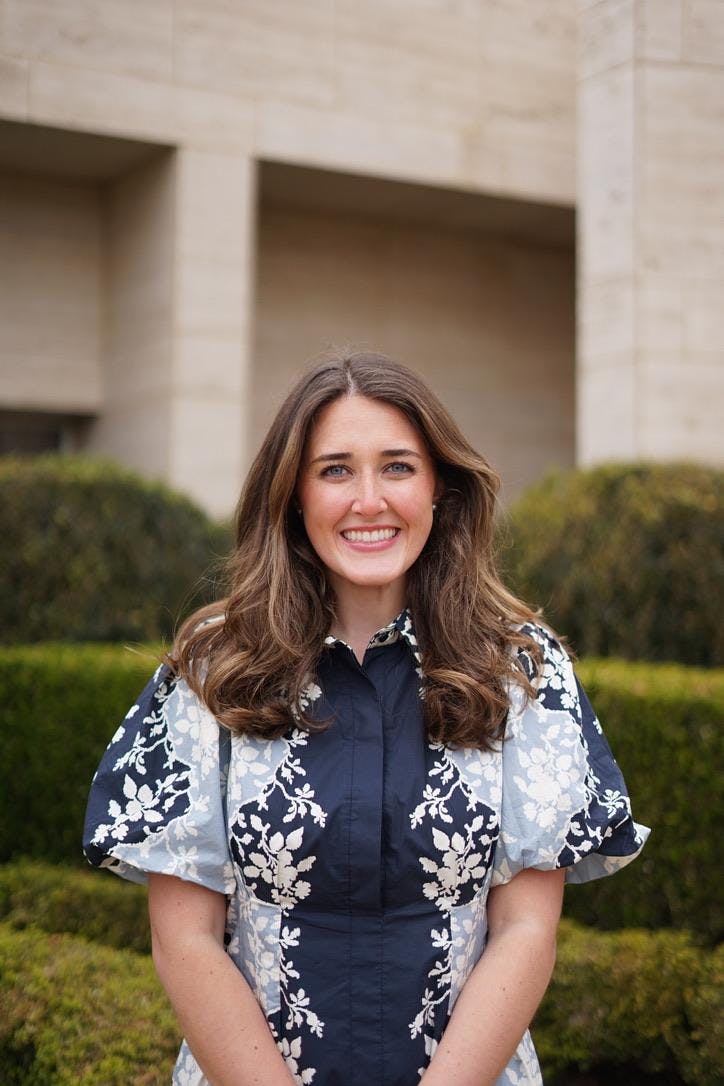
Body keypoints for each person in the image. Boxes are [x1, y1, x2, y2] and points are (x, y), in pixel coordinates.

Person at [83, 351, 649, 1086]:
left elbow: (526, 928)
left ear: (440, 487)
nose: (369, 500)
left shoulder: (521, 667)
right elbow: (184, 937)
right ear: (293, 495)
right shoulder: (213, 662)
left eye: (398, 467)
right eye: (336, 470)